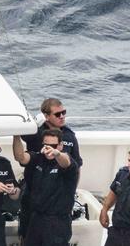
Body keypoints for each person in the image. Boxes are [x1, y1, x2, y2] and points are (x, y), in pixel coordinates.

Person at [14, 98, 82, 238]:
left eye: (63, 112)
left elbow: (76, 166)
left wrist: (71, 192)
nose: (62, 116)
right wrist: (28, 124)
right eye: (57, 114)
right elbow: (21, 151)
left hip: (58, 195)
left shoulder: (69, 135)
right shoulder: (35, 133)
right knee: (27, 237)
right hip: (34, 192)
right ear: (46, 116)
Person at [20, 128, 79, 246]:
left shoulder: (67, 163)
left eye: (53, 146)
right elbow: (21, 157)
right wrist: (16, 135)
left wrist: (57, 154)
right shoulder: (38, 159)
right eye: (46, 145)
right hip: (36, 219)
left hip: (57, 222)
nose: (49, 149)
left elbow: (66, 162)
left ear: (60, 146)